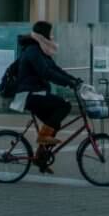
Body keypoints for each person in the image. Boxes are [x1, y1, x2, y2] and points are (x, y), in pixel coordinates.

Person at [10, 21, 81, 149]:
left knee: (54, 124)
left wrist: (73, 80)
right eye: (50, 33)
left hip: (36, 92)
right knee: (64, 106)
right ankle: (42, 137)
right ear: (44, 35)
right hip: (29, 94)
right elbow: (46, 72)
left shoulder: (41, 50)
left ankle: (40, 158)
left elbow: (55, 69)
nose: (52, 36)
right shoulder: (33, 50)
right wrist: (68, 83)